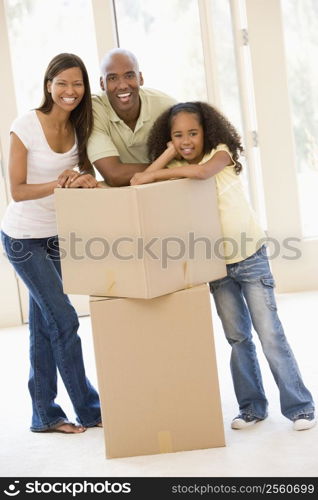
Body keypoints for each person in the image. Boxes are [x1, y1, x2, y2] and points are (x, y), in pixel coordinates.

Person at [130, 101, 316, 432]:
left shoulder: (221, 152)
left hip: (250, 257)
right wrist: (166, 155)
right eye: (177, 136)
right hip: (215, 265)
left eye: (192, 133)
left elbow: (200, 172)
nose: (186, 141)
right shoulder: (175, 162)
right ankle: (252, 408)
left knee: (269, 333)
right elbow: (138, 182)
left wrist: (160, 170)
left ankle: (300, 407)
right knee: (237, 338)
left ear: (207, 132)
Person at [1, 53, 102, 434]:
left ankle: (44, 414)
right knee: (64, 318)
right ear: (48, 85)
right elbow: (18, 190)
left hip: (57, 237)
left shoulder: (81, 128)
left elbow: (86, 175)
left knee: (44, 325)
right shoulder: (25, 125)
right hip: (22, 239)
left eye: (77, 84)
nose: (69, 91)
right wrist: (59, 182)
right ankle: (89, 410)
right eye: (62, 83)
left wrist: (83, 181)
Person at [87, 48, 176, 186]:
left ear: (140, 78)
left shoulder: (166, 106)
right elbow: (114, 175)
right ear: (102, 84)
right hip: (127, 194)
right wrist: (175, 170)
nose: (122, 85)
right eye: (112, 78)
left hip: (168, 187)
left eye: (129, 76)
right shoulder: (93, 110)